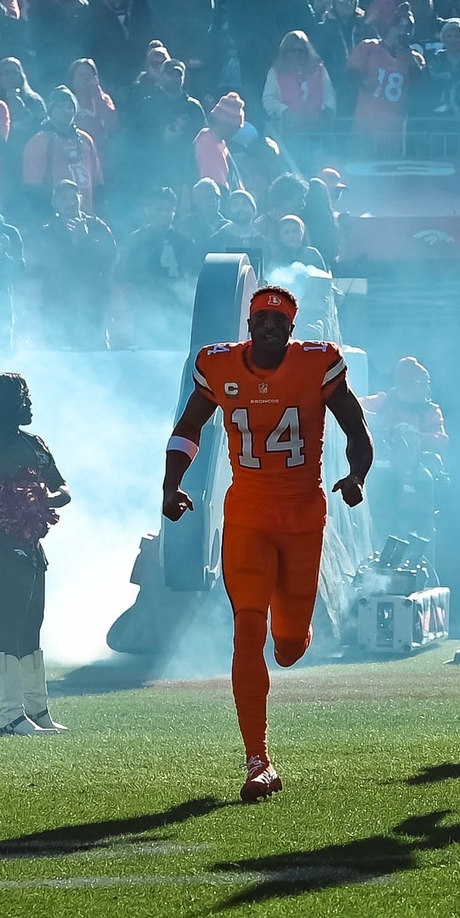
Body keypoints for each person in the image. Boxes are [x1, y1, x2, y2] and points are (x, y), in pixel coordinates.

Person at [160, 285, 373, 803]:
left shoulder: (317, 364)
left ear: (292, 329)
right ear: (250, 325)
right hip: (249, 514)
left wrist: (357, 474)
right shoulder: (219, 366)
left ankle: (293, 631)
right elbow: (189, 427)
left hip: (302, 515)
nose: (271, 326)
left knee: (290, 643)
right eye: (263, 318)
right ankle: (258, 760)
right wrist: (171, 484)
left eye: (280, 320)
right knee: (247, 628)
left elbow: (355, 426)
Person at [0, 371, 73, 735]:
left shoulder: (34, 441)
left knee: (32, 621)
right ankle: (9, 714)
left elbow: (62, 486)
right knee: (10, 620)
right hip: (2, 537)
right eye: (25, 396)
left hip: (32, 539)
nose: (31, 402)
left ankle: (37, 709)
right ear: (8, 404)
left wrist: (49, 499)